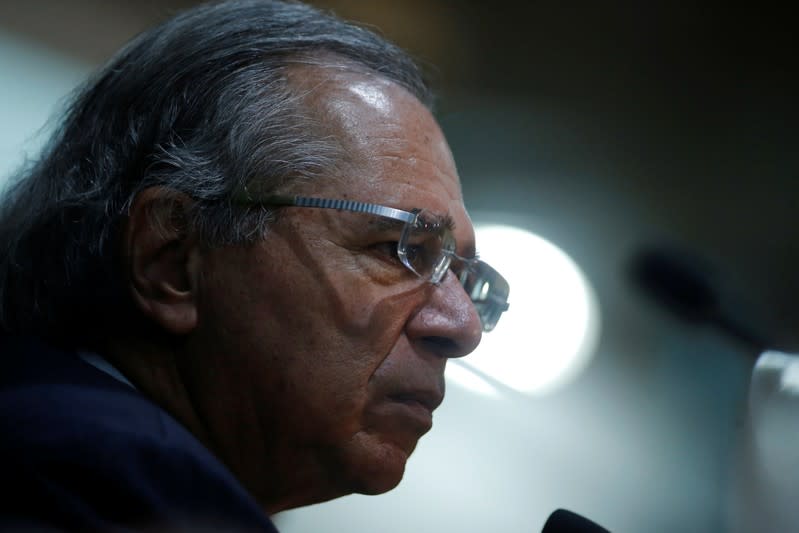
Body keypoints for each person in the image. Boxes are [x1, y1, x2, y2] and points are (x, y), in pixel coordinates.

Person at [0, 0, 510, 531]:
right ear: (172, 260)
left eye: (461, 276)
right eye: (395, 248)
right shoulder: (95, 486)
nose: (462, 326)